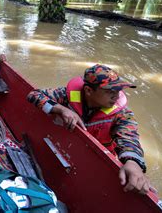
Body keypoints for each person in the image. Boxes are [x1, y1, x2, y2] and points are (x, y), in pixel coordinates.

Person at [27, 64, 152, 195]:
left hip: (97, 160)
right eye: (110, 91)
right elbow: (33, 95)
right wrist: (61, 109)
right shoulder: (66, 95)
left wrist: (133, 162)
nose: (116, 96)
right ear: (88, 91)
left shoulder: (121, 113)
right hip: (68, 150)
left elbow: (129, 137)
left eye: (118, 90)